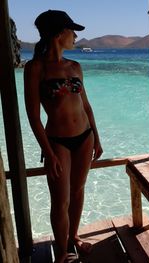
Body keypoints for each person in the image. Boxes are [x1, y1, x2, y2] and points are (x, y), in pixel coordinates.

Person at [24, 10, 103, 262]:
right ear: (59, 34)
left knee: (78, 191)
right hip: (58, 142)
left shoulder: (75, 66)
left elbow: (86, 105)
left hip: (85, 136)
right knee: (60, 200)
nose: (76, 36)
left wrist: (97, 138)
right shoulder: (35, 68)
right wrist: (48, 152)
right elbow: (34, 116)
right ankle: (61, 253)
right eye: (72, 30)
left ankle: (74, 237)